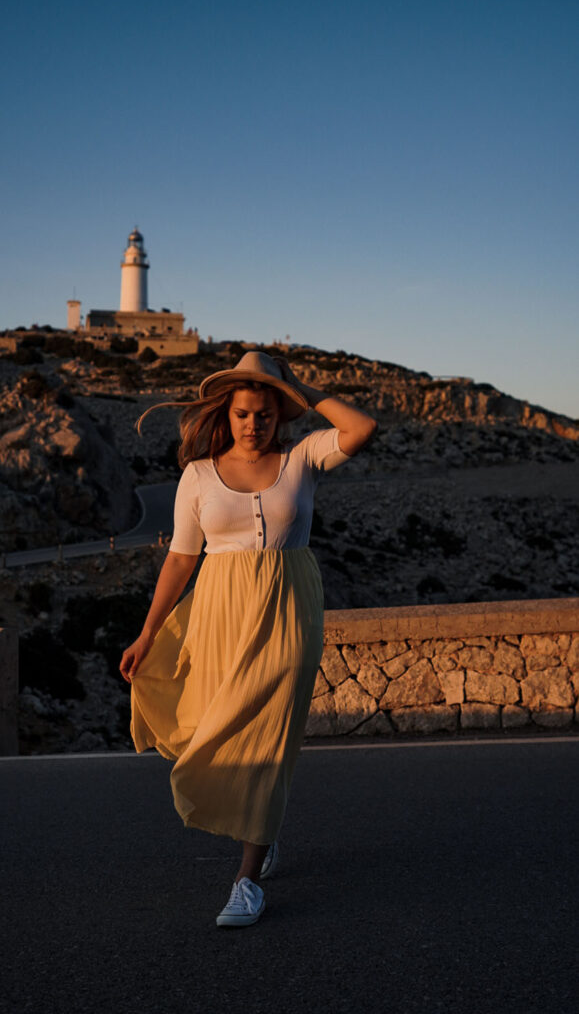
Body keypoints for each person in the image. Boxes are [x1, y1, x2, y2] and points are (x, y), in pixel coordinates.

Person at [119, 350, 377, 928]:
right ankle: (263, 831)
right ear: (226, 415)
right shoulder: (199, 475)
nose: (253, 424)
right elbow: (182, 561)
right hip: (218, 617)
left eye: (264, 413)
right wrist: (147, 632)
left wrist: (300, 387)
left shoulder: (303, 458)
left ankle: (246, 880)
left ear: (280, 415)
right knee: (219, 729)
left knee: (268, 737)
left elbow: (362, 428)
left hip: (289, 614)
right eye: (242, 413)